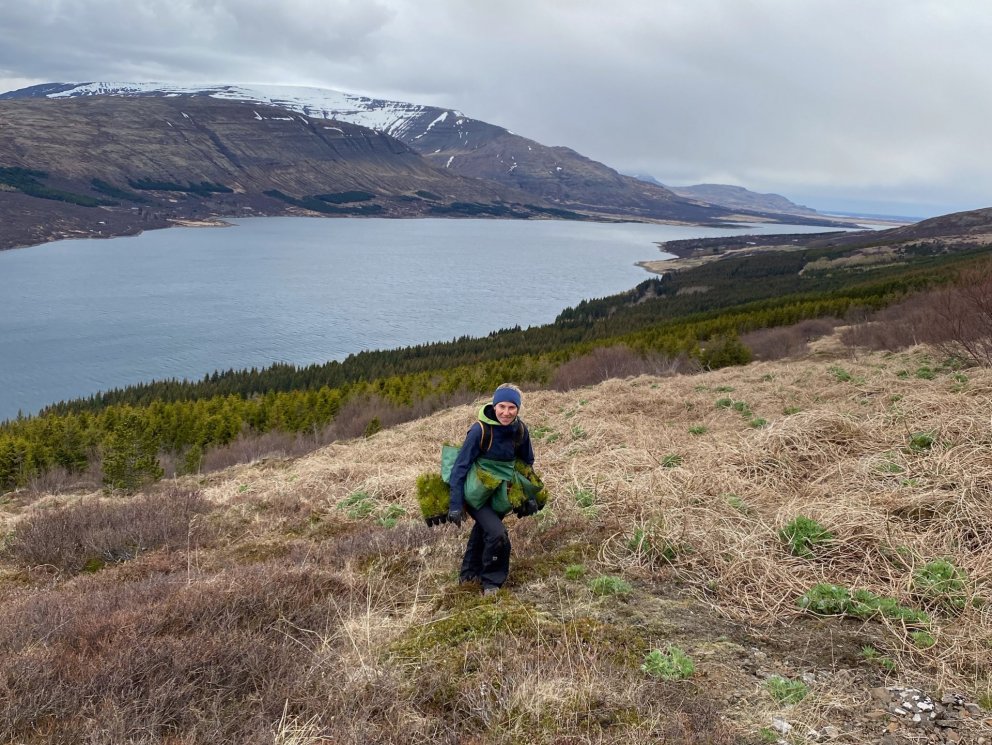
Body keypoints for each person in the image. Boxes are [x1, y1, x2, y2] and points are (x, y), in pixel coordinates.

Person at [447, 383, 536, 595]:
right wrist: (455, 504)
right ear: (494, 406)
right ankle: (491, 582)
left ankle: (468, 576)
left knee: (483, 531)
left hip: (500, 496)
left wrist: (530, 496)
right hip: (475, 495)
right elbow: (460, 467)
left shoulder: (520, 431)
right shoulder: (480, 430)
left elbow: (526, 463)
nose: (506, 412)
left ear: (518, 409)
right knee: (497, 534)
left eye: (511, 407)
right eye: (502, 406)